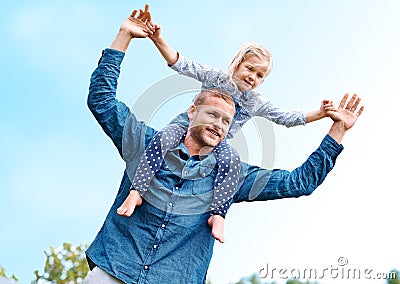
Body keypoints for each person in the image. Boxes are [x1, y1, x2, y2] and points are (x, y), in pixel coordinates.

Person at [84, 7, 364, 284]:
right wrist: (124, 36)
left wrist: (335, 128)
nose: (219, 123)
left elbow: (298, 181)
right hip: (114, 270)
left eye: (227, 120)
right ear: (192, 111)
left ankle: (218, 215)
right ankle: (137, 192)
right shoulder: (148, 144)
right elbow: (103, 100)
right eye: (211, 114)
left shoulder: (228, 175)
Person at [116, 5, 336, 243]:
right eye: (249, 68)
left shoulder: (255, 101)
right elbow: (180, 63)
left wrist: (321, 113)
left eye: (260, 75)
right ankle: (136, 191)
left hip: (216, 142)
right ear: (237, 63)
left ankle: (218, 215)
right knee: (161, 140)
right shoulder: (216, 78)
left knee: (231, 161)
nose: (252, 77)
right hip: (187, 128)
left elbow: (287, 118)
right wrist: (158, 39)